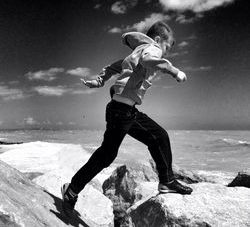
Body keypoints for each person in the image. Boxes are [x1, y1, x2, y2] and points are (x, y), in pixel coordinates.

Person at [61, 21, 193, 216]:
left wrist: (99, 80)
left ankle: (166, 181)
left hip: (125, 111)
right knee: (107, 155)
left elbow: (115, 67)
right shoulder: (151, 49)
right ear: (158, 40)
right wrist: (173, 71)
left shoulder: (136, 53)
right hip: (121, 112)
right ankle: (71, 191)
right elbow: (150, 60)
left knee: (158, 136)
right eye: (166, 47)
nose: (165, 53)